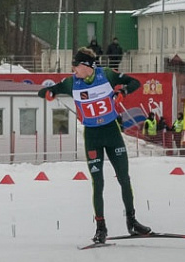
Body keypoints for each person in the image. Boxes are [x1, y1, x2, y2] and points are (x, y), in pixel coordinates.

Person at [37, 47, 151, 244]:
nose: (73, 69)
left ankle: (132, 221)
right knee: (98, 183)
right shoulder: (72, 82)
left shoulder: (106, 75)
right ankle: (101, 227)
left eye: (76, 65)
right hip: (92, 136)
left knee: (124, 178)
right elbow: (45, 91)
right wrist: (48, 93)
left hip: (112, 133)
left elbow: (135, 82)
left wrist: (123, 92)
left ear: (86, 66)